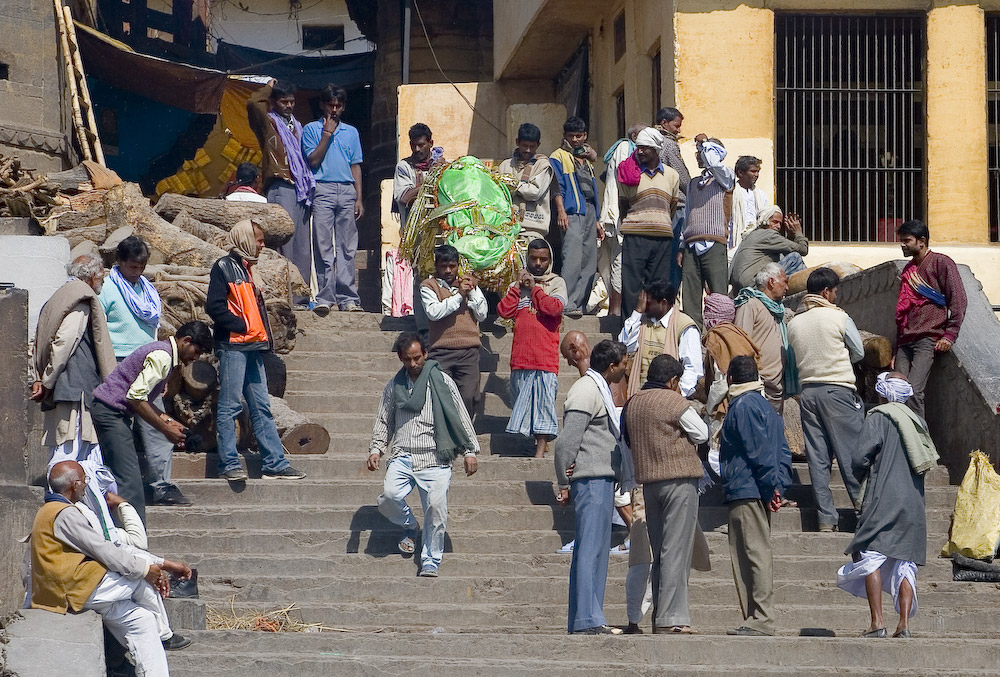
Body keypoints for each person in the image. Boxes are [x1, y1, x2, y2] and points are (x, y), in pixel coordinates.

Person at [29, 461, 193, 676]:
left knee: (141, 620)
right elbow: (103, 549)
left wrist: (152, 568)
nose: (87, 486)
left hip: (84, 588)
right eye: (85, 481)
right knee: (140, 580)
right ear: (76, 484)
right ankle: (166, 634)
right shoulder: (63, 513)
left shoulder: (52, 510)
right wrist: (148, 570)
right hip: (72, 589)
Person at [367, 332, 479, 577]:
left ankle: (430, 559)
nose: (414, 364)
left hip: (435, 457)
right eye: (408, 359)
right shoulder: (394, 386)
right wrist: (377, 448)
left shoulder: (442, 382)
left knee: (437, 508)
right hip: (403, 455)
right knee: (389, 496)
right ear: (401, 358)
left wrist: (470, 451)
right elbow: (384, 419)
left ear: (425, 354)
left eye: (417, 358)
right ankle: (410, 526)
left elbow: (460, 415)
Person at [837, 372, 937, 638]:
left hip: (883, 498)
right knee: (905, 561)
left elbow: (859, 458)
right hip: (913, 503)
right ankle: (903, 624)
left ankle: (877, 623)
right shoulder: (919, 423)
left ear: (882, 393)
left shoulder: (879, 418)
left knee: (872, 556)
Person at [205, 220, 307, 482]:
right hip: (233, 346)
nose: (262, 245)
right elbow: (214, 306)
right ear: (246, 239)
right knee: (229, 406)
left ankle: (275, 463)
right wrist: (241, 326)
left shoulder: (250, 269)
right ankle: (228, 463)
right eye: (259, 240)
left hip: (253, 346)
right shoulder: (224, 267)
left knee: (261, 406)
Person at [100, 236, 191, 507]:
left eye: (141, 267)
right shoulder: (107, 288)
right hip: (117, 362)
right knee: (118, 426)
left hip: (150, 363)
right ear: (120, 262)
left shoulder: (147, 291)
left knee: (158, 424)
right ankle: (113, 487)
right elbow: (98, 327)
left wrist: (162, 375)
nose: (137, 272)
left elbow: (153, 330)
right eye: (132, 267)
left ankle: (162, 485)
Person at [91, 321, 212, 524]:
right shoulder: (162, 356)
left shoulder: (164, 353)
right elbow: (135, 398)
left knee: (124, 479)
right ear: (186, 341)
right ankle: (133, 540)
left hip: (112, 412)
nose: (196, 358)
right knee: (130, 483)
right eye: (196, 351)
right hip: (110, 413)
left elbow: (143, 399)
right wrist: (165, 430)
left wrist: (169, 421)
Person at [621, 354, 709, 634]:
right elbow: (702, 433)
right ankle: (672, 619)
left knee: (660, 551)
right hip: (679, 481)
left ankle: (662, 614)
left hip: (649, 483)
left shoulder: (633, 403)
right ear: (672, 381)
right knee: (676, 550)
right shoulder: (673, 401)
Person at [31, 254, 118, 526]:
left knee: (85, 453)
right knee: (70, 451)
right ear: (91, 275)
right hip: (74, 389)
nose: (102, 279)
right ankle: (59, 512)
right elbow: (64, 342)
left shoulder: (63, 293)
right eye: (101, 274)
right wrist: (46, 380)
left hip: (72, 388)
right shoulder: (80, 298)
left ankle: (89, 514)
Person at [555, 340, 628, 635]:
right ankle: (587, 618)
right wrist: (563, 479)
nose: (626, 368)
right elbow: (566, 441)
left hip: (602, 479)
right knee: (589, 551)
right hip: (591, 479)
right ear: (611, 366)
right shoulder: (586, 390)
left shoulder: (598, 388)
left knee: (597, 551)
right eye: (623, 363)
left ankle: (589, 615)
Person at [719, 356, 793, 636]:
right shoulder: (767, 407)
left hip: (747, 489)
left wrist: (770, 488)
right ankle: (756, 616)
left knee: (752, 554)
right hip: (758, 488)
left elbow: (758, 452)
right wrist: (778, 487)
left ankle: (761, 618)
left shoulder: (744, 405)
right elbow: (782, 453)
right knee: (753, 553)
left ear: (730, 379)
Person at [787, 268, 865, 532]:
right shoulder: (838, 317)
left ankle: (826, 519)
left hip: (808, 394)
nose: (836, 296)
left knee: (818, 460)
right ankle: (864, 510)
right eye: (834, 291)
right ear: (826, 292)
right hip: (838, 391)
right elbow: (858, 351)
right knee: (852, 455)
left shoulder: (794, 323)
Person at [246, 79, 315, 301]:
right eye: (284, 101)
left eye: (292, 102)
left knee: (303, 246)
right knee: (285, 243)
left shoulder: (297, 126)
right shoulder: (268, 124)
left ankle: (301, 296)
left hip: (301, 188)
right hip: (280, 185)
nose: (289, 106)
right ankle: (284, 294)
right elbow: (253, 103)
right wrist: (268, 86)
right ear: (274, 102)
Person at [497, 239, 566, 458]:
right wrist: (518, 287)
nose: (537, 263)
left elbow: (553, 308)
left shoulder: (556, 283)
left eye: (542, 259)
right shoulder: (516, 285)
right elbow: (504, 311)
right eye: (533, 259)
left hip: (545, 358)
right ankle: (533, 444)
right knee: (521, 402)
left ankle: (540, 450)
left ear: (550, 260)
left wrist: (534, 288)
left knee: (544, 405)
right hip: (521, 357)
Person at [894, 220, 967, 418]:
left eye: (907, 240)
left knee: (913, 393)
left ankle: (921, 444)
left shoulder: (941, 263)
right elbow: (903, 310)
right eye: (901, 240)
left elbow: (958, 301)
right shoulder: (908, 270)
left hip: (927, 339)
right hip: (905, 342)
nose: (902, 244)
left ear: (922, 241)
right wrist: (897, 346)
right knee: (895, 393)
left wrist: (950, 336)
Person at [302, 83, 365, 314]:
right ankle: (325, 297)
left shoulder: (351, 132)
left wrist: (359, 198)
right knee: (323, 246)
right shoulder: (311, 129)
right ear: (322, 105)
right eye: (331, 105)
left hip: (347, 190)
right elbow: (313, 161)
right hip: (322, 190)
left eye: (338, 105)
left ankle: (349, 298)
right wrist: (326, 134)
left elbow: (355, 165)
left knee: (347, 247)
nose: (334, 109)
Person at [618, 128, 681, 320]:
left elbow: (672, 206)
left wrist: (659, 222)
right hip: (635, 236)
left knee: (659, 285)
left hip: (662, 238)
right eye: (639, 148)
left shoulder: (672, 175)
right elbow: (623, 205)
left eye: (646, 148)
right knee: (631, 284)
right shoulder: (630, 174)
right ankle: (629, 328)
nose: (641, 152)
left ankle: (654, 328)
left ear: (656, 150)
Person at [419, 244, 487, 415]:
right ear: (436, 266)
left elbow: (482, 314)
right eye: (443, 266)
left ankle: (464, 436)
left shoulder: (467, 284)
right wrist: (459, 296)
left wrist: (471, 293)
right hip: (441, 351)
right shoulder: (429, 286)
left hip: (468, 351)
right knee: (442, 397)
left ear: (458, 265)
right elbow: (434, 312)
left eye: (452, 266)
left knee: (469, 396)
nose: (448, 270)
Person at [678, 134, 734, 329]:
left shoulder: (725, 178)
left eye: (702, 152)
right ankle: (693, 336)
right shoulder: (694, 183)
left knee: (718, 296)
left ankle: (720, 335)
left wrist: (705, 144)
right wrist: (681, 246)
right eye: (698, 152)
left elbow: (714, 163)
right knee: (691, 298)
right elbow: (687, 216)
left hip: (714, 243)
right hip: (692, 244)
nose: (698, 155)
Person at [393, 123, 444, 330]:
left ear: (430, 143)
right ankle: (423, 326)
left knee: (444, 274)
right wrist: (430, 179)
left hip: (441, 232)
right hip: (418, 236)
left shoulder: (443, 166)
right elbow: (403, 197)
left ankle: (442, 322)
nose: (417, 150)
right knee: (421, 277)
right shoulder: (404, 167)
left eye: (421, 145)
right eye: (413, 145)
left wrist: (443, 171)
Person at [550, 116, 600, 318]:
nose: (575, 140)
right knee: (571, 259)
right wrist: (561, 211)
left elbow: (594, 190)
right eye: (571, 136)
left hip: (589, 213)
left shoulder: (586, 160)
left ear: (585, 136)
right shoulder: (558, 156)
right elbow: (557, 186)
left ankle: (581, 303)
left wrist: (597, 219)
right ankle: (567, 302)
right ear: (565, 136)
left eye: (579, 136)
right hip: (571, 213)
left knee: (589, 261)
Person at [701, 293, 761, 461]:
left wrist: (709, 407)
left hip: (727, 407)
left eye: (707, 312)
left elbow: (721, 383)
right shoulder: (739, 334)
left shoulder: (716, 337)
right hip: (752, 400)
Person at [618, 279, 701, 399]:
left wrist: (678, 394)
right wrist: (637, 312)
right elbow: (624, 346)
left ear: (663, 303)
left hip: (669, 399)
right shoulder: (641, 322)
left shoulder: (684, 326)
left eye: (648, 303)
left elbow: (693, 368)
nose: (644, 306)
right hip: (640, 396)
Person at [598, 122, 645, 316]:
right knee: (619, 260)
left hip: (622, 214)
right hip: (620, 215)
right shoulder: (625, 148)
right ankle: (615, 310)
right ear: (635, 137)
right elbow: (625, 180)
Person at [734, 263, 793, 414]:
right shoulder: (750, 304)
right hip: (758, 388)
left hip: (777, 389)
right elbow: (741, 345)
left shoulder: (777, 309)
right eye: (784, 281)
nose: (787, 288)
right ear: (772, 282)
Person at [729, 206, 809, 292]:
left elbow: (785, 251)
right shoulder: (768, 235)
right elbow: (803, 249)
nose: (778, 226)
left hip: (740, 288)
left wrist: (790, 235)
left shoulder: (754, 234)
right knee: (794, 257)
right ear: (765, 220)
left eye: (780, 224)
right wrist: (798, 232)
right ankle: (813, 287)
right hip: (754, 284)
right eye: (775, 222)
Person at [498, 123, 554, 243]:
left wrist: (512, 184)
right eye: (524, 146)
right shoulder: (505, 165)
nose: (528, 150)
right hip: (507, 230)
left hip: (533, 231)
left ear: (538, 145)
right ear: (517, 142)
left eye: (532, 146)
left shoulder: (542, 165)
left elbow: (533, 192)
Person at [655, 107, 690, 291]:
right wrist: (693, 189)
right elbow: (682, 177)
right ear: (664, 123)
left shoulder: (654, 143)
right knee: (676, 254)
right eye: (676, 126)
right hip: (677, 205)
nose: (678, 130)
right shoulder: (669, 145)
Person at [730, 155, 768, 253]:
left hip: (755, 242)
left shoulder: (760, 195)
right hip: (733, 242)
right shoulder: (730, 193)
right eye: (753, 171)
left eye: (758, 171)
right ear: (740, 173)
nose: (756, 175)